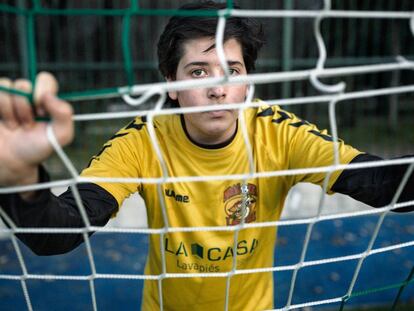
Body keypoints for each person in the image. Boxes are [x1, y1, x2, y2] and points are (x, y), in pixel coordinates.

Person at [0, 1, 413, 310]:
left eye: (232, 71)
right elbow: (57, 234)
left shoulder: (278, 132)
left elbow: (383, 186)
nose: (218, 88)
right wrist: (19, 179)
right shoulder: (143, 141)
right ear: (171, 85)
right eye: (199, 71)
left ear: (248, 80)